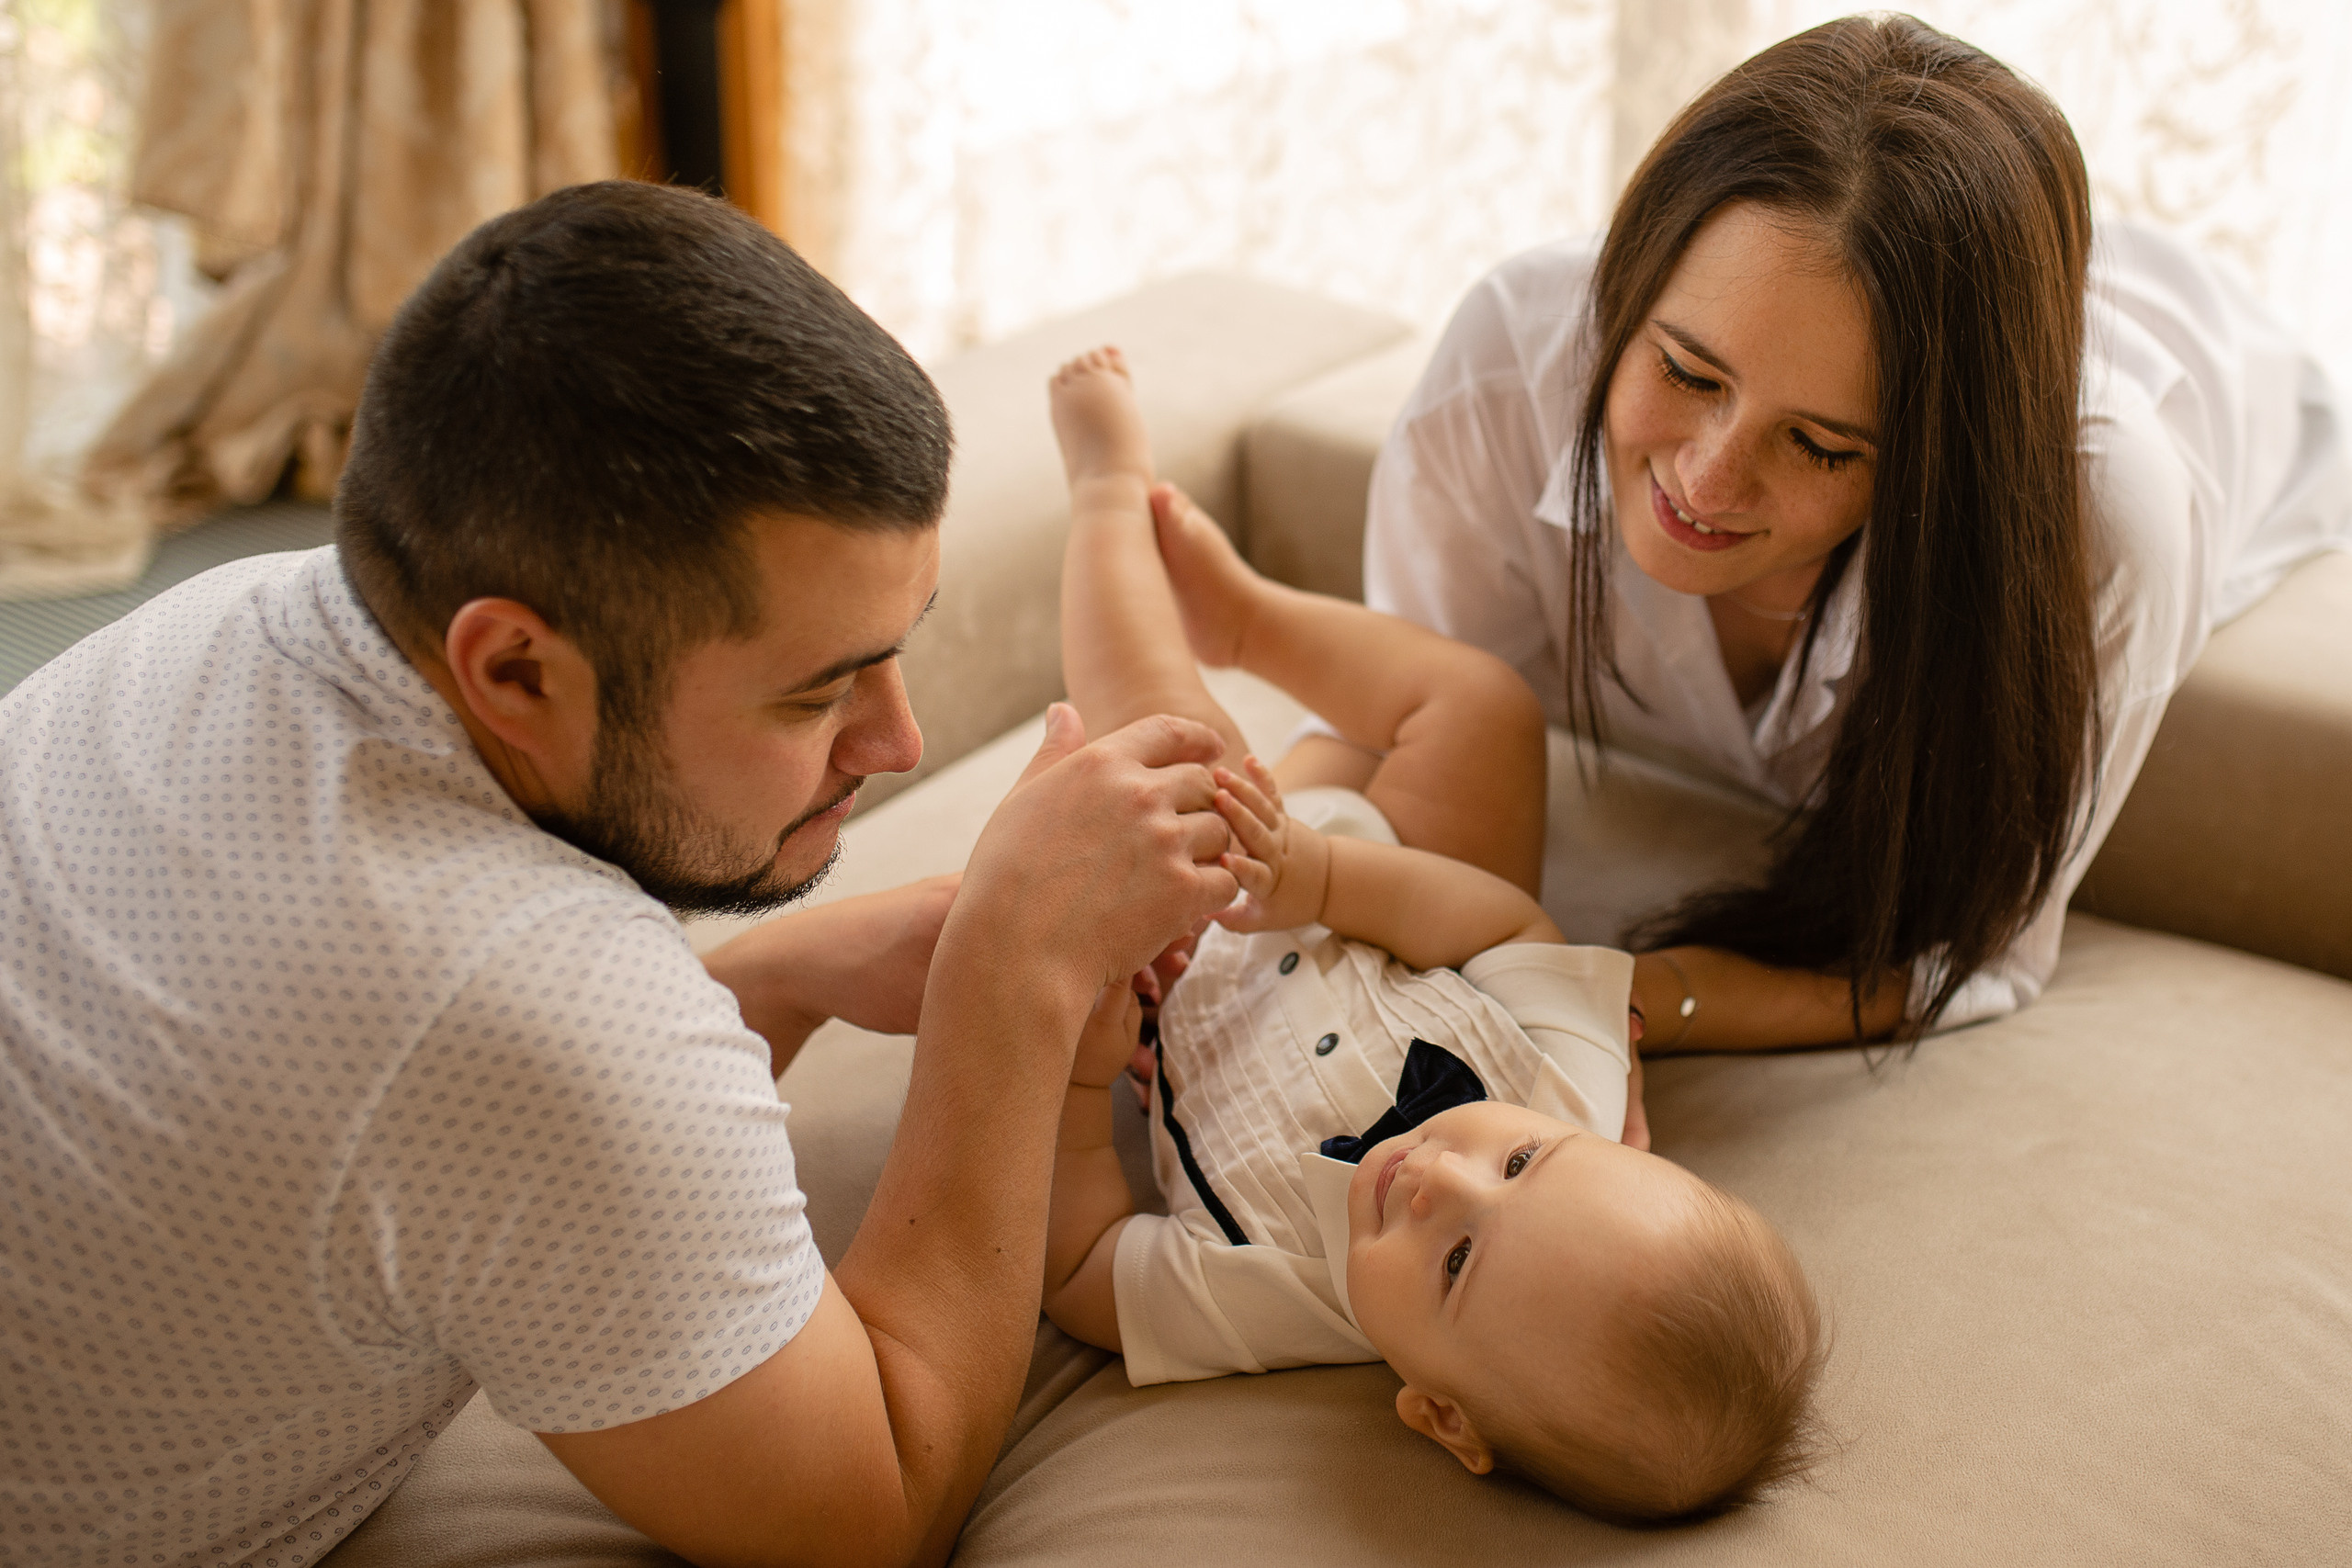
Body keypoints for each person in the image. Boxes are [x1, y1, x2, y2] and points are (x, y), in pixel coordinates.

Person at [0, 183, 1244, 1568]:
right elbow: (870, 1506)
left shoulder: (213, 623)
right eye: (815, 693)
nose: (901, 740)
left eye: (899, 647)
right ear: (516, 667)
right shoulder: (525, 1005)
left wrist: (767, 973)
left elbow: (402, 1103)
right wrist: (1018, 973)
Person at [1153, 15, 2352, 1058]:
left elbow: (1975, 952)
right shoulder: (1513, 362)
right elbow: (1396, 719)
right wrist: (1201, 904)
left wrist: (1620, 1002)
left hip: (2230, 389)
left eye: (1822, 446)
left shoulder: (2096, 520)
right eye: (1685, 368)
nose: (1705, 479)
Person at [1036, 346, 1822, 1524]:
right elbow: (1504, 920)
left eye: (1455, 1265)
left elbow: (1080, 1271)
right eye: (1520, 1162)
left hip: (1192, 938)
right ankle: (1249, 618)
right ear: (1630, 1154)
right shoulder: (1577, 1088)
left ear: (1442, 1416)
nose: (1435, 1176)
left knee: (1167, 737)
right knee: (1481, 708)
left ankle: (1104, 485)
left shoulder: (1281, 1295)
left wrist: (1078, 1063)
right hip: (1366, 883)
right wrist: (1322, 871)